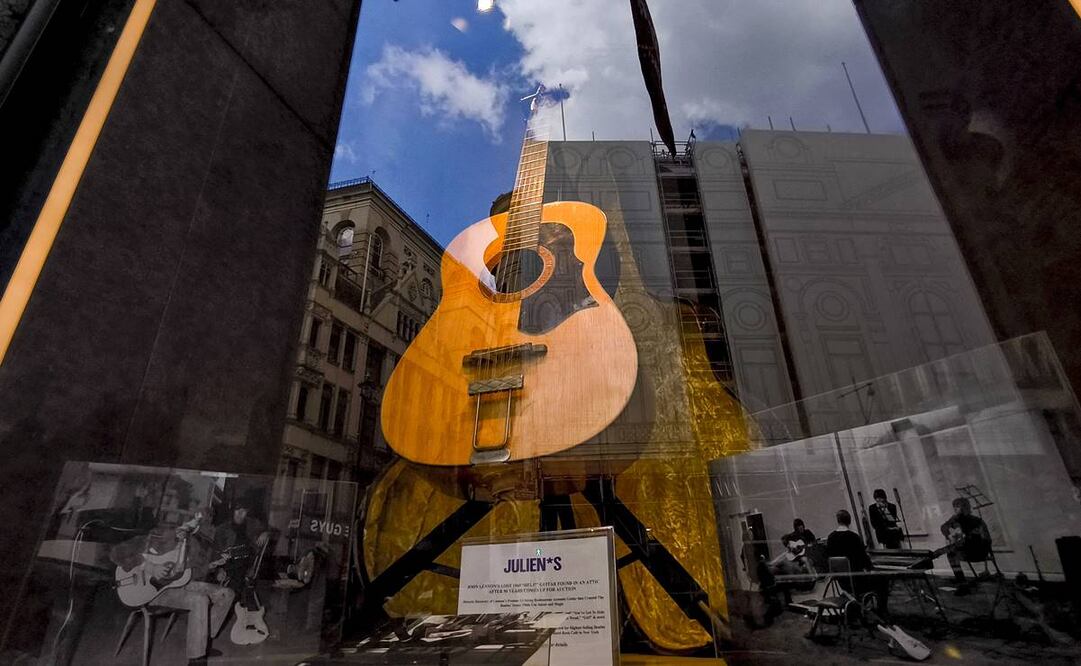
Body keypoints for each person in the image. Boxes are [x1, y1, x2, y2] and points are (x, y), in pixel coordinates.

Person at [111, 521, 234, 664]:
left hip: (178, 585)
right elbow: (115, 553)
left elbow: (191, 574)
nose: (184, 532)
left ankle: (202, 643)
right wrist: (149, 566)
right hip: (153, 593)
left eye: (191, 528)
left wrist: (212, 566)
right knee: (199, 600)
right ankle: (196, 658)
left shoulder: (190, 546)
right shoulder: (151, 539)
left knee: (226, 594)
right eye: (183, 527)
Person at [826, 509, 888, 614]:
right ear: (849, 521)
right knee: (882, 579)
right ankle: (881, 611)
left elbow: (829, 558)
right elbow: (863, 560)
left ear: (838, 521)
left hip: (842, 582)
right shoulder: (853, 537)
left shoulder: (830, 537)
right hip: (857, 582)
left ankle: (857, 605)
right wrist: (871, 568)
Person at [939, 497, 992, 593]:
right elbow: (943, 527)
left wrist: (967, 540)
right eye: (954, 506)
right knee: (951, 553)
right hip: (969, 550)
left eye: (957, 507)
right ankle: (961, 581)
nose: (955, 509)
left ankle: (962, 583)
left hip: (979, 552)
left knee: (951, 555)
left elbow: (987, 540)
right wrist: (949, 536)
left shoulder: (976, 521)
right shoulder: (957, 519)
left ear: (964, 507)